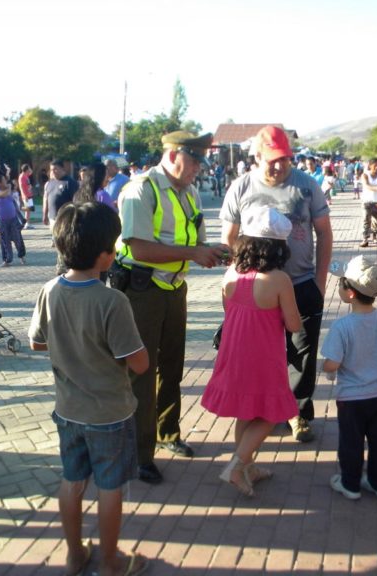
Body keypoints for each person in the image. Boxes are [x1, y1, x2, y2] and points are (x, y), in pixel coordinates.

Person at [28, 202, 149, 576]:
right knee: (110, 488)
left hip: (68, 410)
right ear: (103, 255)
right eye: (113, 247)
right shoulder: (112, 300)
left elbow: (37, 342)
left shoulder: (50, 290)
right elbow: (139, 362)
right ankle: (111, 562)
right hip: (110, 414)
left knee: (73, 479)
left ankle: (74, 554)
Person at [114, 130, 225, 484]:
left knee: (172, 366)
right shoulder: (140, 190)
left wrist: (220, 252)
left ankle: (167, 432)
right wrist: (194, 253)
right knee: (141, 373)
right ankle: (139, 453)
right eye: (195, 161)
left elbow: (197, 239)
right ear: (175, 155)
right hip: (142, 291)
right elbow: (140, 248)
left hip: (174, 288)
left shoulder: (188, 193)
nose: (198, 170)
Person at [221, 125, 333, 444]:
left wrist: (320, 282)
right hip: (257, 290)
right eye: (273, 159)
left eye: (285, 159)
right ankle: (258, 411)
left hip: (300, 282)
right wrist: (238, 278)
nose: (279, 165)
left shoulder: (307, 186)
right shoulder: (241, 188)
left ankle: (297, 412)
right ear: (257, 156)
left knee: (302, 352)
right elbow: (228, 239)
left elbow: (324, 232)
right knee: (260, 354)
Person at [202, 206, 301, 497]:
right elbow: (294, 324)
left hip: (234, 354)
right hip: (263, 357)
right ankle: (237, 465)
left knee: (246, 412)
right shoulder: (279, 280)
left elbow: (228, 309)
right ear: (277, 247)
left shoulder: (232, 272)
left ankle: (248, 466)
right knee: (271, 413)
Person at [321, 256, 377, 501]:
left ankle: (350, 484)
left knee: (351, 442)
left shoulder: (342, 327)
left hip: (352, 398)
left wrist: (326, 367)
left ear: (350, 294)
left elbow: (332, 363)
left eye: (341, 284)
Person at [0, 171, 27, 267]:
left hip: (13, 219)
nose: (6, 182)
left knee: (17, 239)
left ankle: (22, 256)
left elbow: (15, 205)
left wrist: (21, 218)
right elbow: (3, 194)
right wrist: (9, 187)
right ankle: (7, 260)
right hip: (2, 220)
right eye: (4, 181)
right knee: (4, 240)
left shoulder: (9, 191)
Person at [42, 159, 79, 231]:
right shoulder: (49, 183)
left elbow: (76, 202)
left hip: (66, 219)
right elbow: (45, 199)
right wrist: (45, 214)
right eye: (51, 170)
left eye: (55, 169)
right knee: (54, 240)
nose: (53, 172)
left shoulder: (70, 183)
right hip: (52, 218)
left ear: (62, 168)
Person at [359, 158, 377, 247]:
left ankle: (375, 237)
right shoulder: (365, 175)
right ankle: (365, 238)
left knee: (376, 220)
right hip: (367, 201)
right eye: (375, 166)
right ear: (370, 166)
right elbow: (366, 185)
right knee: (366, 220)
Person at [18, 164, 34, 229]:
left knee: (29, 209)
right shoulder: (22, 176)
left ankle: (27, 223)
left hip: (29, 194)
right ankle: (26, 223)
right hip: (26, 195)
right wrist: (24, 195)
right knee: (28, 209)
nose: (30, 169)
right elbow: (21, 187)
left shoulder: (26, 175)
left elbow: (31, 172)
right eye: (29, 168)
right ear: (26, 169)